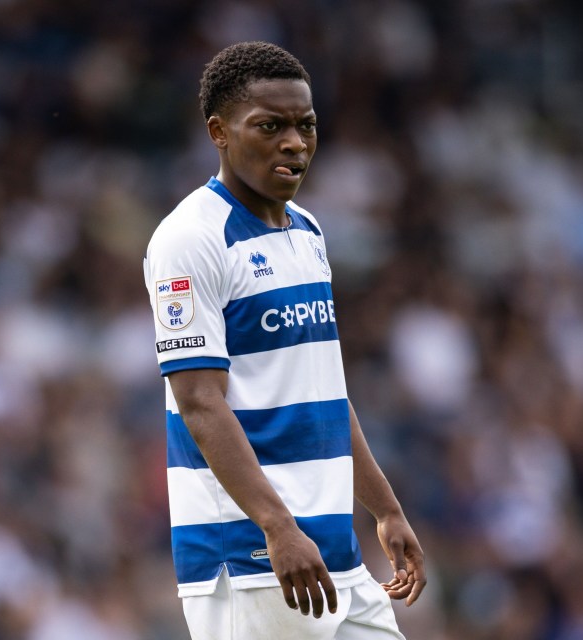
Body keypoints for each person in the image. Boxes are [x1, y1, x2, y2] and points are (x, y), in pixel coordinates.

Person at [143, 41, 426, 640]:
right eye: (270, 126)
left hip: (330, 551)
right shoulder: (190, 239)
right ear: (219, 132)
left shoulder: (307, 230)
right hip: (254, 553)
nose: (294, 143)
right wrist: (276, 527)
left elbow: (321, 389)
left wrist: (385, 507)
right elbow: (199, 402)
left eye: (306, 125)